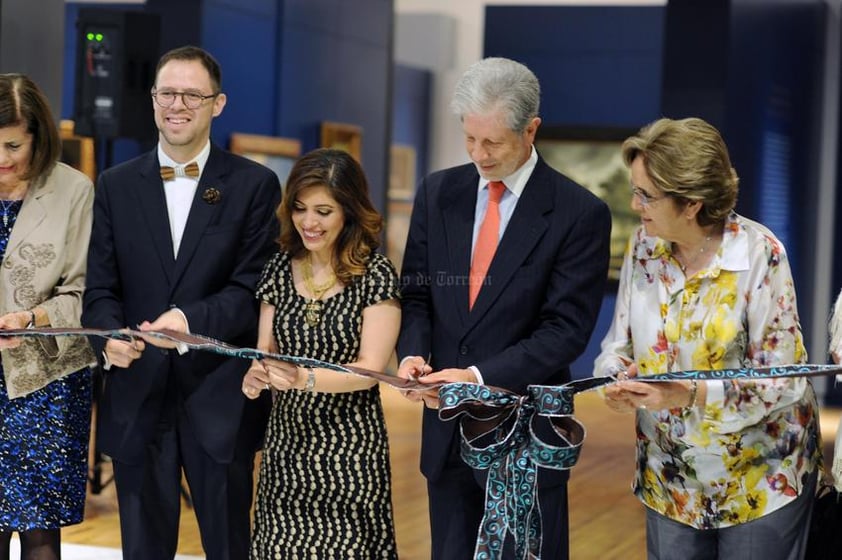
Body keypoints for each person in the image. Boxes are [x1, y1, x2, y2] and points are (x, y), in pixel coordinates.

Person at [396, 57, 612, 559]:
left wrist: (474, 376)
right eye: (469, 139)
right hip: (445, 434)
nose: (478, 154)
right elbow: (417, 294)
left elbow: (565, 331)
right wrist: (413, 355)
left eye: (492, 142)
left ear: (531, 128)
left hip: (525, 439)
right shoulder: (438, 192)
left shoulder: (579, 213)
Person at [81, 46, 280, 560]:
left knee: (229, 546)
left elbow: (251, 289)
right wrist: (109, 339)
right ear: (152, 100)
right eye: (167, 92)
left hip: (219, 398)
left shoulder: (254, 185)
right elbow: (101, 288)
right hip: (135, 395)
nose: (178, 104)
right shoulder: (114, 185)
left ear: (218, 104)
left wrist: (190, 321)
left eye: (193, 94)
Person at [594, 117, 820, 560]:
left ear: (692, 203)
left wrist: (690, 393)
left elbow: (783, 379)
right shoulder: (644, 246)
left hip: (757, 475)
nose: (635, 203)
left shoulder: (760, 254)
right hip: (670, 475)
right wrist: (614, 379)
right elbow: (617, 344)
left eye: (646, 195)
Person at [241, 147, 401, 558]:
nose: (308, 222)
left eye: (323, 211)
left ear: (348, 210)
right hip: (286, 449)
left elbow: (371, 370)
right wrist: (257, 375)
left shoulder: (375, 274)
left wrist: (301, 378)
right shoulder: (278, 267)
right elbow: (265, 351)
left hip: (349, 451)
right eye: (299, 208)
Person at [0, 73, 95, 560]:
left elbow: (84, 295)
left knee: (40, 532)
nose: (3, 159)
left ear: (38, 136)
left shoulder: (73, 190)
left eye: (13, 145)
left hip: (46, 383)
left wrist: (32, 318)